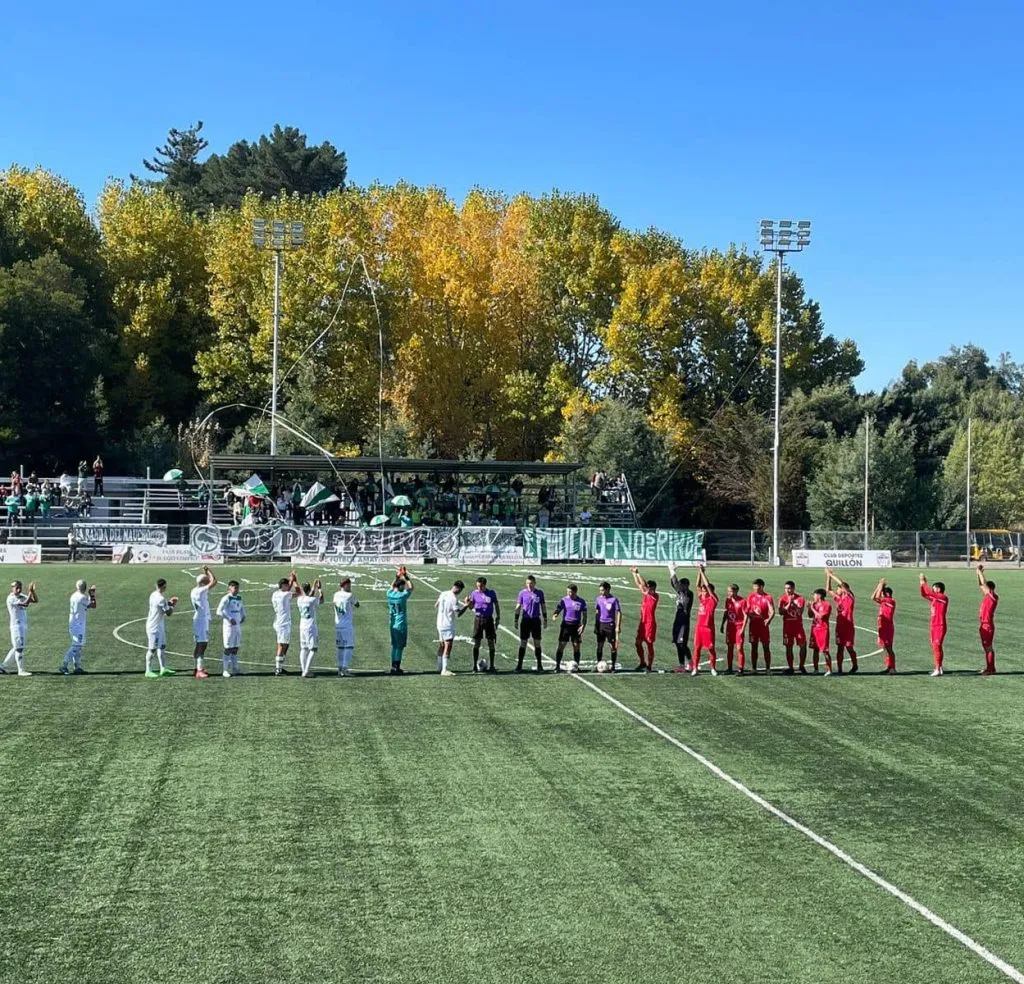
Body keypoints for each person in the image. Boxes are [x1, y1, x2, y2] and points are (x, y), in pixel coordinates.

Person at [461, 576, 500, 673]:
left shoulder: (491, 593)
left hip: (489, 620)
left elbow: (496, 604)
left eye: (481, 586)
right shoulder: (474, 593)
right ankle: (474, 665)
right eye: (477, 586)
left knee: (491, 641)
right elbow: (471, 607)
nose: (479, 588)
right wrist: (467, 603)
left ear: (485, 585)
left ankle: (492, 666)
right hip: (478, 619)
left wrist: (498, 616)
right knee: (477, 642)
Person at [825, 569, 858, 674]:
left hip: (848, 626)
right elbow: (828, 589)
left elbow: (842, 584)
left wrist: (832, 574)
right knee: (840, 647)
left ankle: (855, 665)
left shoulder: (850, 597)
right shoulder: (838, 599)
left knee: (849, 647)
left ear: (843, 589)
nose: (836, 590)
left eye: (838, 588)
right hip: (839, 626)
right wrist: (828, 577)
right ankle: (839, 669)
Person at [60, 580, 96, 675]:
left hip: (74, 623)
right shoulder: (82, 597)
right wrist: (92, 595)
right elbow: (93, 605)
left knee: (78, 646)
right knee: (76, 646)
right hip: (78, 625)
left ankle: (77, 667)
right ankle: (64, 665)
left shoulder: (74, 595)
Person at [3, 579, 37, 676]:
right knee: (19, 648)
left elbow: (35, 600)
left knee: (17, 647)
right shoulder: (11, 598)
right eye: (14, 587)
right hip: (16, 626)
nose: (16, 589)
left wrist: (32, 592)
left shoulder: (22, 596)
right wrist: (30, 592)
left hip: (23, 625)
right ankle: (20, 670)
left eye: (18, 587)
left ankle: (3, 666)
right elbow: (25, 604)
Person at [514, 575, 547, 673]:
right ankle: (519, 665)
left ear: (535, 583)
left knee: (537, 643)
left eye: (531, 583)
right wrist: (516, 619)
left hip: (536, 620)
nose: (529, 585)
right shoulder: (522, 593)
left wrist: (545, 619)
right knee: (523, 642)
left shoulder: (539, 593)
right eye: (528, 583)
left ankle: (539, 665)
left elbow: (543, 606)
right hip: (525, 620)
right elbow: (518, 606)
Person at [145, 578, 178, 678]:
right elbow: (169, 613)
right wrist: (173, 605)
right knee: (152, 649)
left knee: (162, 647)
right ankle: (148, 670)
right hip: (154, 627)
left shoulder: (153, 594)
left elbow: (162, 607)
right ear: (164, 586)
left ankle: (163, 668)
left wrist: (169, 603)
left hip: (159, 626)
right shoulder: (161, 599)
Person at [190, 566, 218, 679]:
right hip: (201, 621)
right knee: (202, 644)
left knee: (199, 644)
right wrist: (208, 571)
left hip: (200, 619)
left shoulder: (195, 590)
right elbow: (214, 581)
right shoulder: (200, 591)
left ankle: (197, 667)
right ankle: (199, 670)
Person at [552, 583, 587, 672]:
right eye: (568, 592)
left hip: (576, 626)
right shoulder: (564, 600)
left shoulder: (581, 601)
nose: (569, 594)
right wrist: (555, 614)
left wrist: (583, 625)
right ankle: (557, 666)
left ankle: (577, 666)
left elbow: (584, 615)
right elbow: (558, 608)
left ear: (575, 592)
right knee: (561, 645)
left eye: (570, 592)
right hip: (566, 626)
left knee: (576, 646)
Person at [919, 574, 949, 677]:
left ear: (939, 589)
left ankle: (938, 668)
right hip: (934, 625)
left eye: (934, 587)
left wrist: (923, 582)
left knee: (937, 646)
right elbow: (924, 594)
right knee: (935, 647)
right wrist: (921, 584)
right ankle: (938, 667)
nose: (932, 589)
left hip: (939, 625)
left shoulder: (942, 597)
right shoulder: (935, 599)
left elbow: (927, 592)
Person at [386, 567, 414, 674]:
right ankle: (396, 667)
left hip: (392, 623)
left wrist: (397, 577)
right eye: (403, 585)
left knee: (394, 645)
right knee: (400, 646)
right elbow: (411, 587)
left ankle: (393, 666)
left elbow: (391, 587)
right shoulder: (402, 596)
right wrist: (406, 576)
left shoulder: (389, 594)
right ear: (401, 586)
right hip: (400, 623)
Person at [272, 572, 301, 675]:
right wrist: (294, 581)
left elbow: (287, 591)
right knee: (281, 645)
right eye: (286, 585)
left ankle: (280, 666)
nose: (288, 586)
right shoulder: (285, 595)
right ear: (283, 586)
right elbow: (299, 592)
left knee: (286, 644)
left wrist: (291, 581)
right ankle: (278, 669)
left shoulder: (276, 593)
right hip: (283, 623)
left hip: (279, 621)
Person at [745, 578, 776, 673]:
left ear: (762, 586)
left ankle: (768, 668)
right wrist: (750, 614)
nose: (755, 588)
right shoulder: (750, 597)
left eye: (756, 586)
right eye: (754, 586)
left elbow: (772, 611)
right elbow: (748, 610)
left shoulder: (768, 597)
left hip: (763, 626)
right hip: (753, 625)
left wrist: (769, 619)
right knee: (754, 647)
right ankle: (754, 668)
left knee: (766, 646)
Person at [216, 580, 246, 678]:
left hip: (237, 626)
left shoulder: (239, 598)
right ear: (230, 588)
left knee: (235, 647)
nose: (237, 589)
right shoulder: (226, 598)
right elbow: (219, 611)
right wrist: (229, 618)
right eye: (235, 587)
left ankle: (235, 668)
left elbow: (241, 608)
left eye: (238, 587)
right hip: (228, 626)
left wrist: (243, 615)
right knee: (228, 647)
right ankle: (225, 670)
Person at [631, 567, 659, 672]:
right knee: (638, 642)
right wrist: (633, 573)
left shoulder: (655, 596)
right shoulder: (646, 594)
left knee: (649, 643)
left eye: (651, 588)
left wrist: (638, 573)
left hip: (650, 623)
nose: (649, 590)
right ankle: (642, 662)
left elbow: (643, 584)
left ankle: (649, 666)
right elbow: (639, 585)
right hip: (642, 622)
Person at [692, 565, 718, 676]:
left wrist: (703, 573)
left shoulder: (713, 599)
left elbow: (707, 585)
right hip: (700, 627)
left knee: (711, 648)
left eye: (705, 591)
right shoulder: (702, 598)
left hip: (708, 628)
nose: (703, 592)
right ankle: (695, 668)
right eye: (702, 591)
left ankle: (713, 668)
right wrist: (699, 572)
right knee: (697, 648)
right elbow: (697, 585)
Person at [434, 579, 464, 676]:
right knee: (448, 646)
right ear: (458, 588)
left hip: (439, 623)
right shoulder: (453, 598)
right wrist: (466, 605)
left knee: (442, 645)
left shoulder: (443, 593)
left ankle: (439, 667)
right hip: (447, 624)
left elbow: (436, 605)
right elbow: (458, 614)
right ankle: (444, 669)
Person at [668, 563, 694, 672]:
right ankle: (682, 665)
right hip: (678, 621)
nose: (680, 586)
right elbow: (674, 585)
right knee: (678, 644)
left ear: (686, 585)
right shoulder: (681, 592)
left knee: (683, 644)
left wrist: (672, 570)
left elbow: (675, 585)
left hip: (683, 622)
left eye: (682, 585)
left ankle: (691, 663)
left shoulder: (688, 594)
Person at [297, 580, 324, 678]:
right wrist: (320, 589)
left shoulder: (299, 600)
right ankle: (307, 671)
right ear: (308, 590)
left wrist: (313, 586)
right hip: (310, 627)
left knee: (303, 649)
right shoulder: (311, 600)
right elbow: (321, 600)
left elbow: (309, 595)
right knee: (313, 649)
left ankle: (303, 669)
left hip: (302, 626)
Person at [778, 581, 807, 674]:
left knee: (803, 646)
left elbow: (800, 612)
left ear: (794, 588)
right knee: (788, 647)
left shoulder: (800, 598)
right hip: (787, 627)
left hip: (798, 626)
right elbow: (781, 612)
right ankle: (790, 667)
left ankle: (801, 666)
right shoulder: (782, 599)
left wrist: (793, 603)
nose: (787, 590)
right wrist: (788, 604)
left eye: (789, 588)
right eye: (786, 588)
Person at [333, 577, 360, 676]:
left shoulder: (335, 595)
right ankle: (345, 668)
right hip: (347, 624)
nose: (350, 587)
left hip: (338, 624)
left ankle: (340, 668)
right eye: (349, 585)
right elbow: (357, 604)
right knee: (348, 647)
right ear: (345, 585)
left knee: (340, 647)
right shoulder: (349, 595)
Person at [594, 581, 622, 672]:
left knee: (612, 646)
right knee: (599, 645)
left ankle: (613, 666)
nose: (601, 592)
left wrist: (617, 626)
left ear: (608, 589)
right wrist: (596, 624)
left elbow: (618, 612)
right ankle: (598, 665)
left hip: (610, 625)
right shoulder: (598, 599)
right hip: (601, 625)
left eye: (602, 590)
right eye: (600, 590)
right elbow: (597, 612)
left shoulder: (614, 600)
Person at [871, 577, 897, 674]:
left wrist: (881, 584)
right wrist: (879, 586)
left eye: (882, 593)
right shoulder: (884, 601)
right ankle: (889, 667)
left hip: (887, 628)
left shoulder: (890, 601)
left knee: (889, 648)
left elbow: (877, 597)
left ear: (887, 594)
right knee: (885, 648)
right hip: (882, 627)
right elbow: (873, 597)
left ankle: (893, 668)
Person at [977, 564, 998, 675]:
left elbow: (983, 584)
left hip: (987, 625)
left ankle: (991, 669)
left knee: (988, 646)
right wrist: (977, 574)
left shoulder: (993, 596)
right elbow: (981, 584)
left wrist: (980, 572)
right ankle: (990, 667)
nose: (982, 589)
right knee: (986, 647)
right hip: (984, 624)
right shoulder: (987, 596)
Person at [721, 584, 746, 675]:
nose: (729, 593)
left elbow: (746, 616)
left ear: (736, 591)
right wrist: (722, 624)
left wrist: (743, 628)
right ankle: (730, 668)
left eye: (731, 591)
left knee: (739, 648)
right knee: (730, 647)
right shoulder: (728, 600)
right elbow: (726, 612)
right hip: (730, 627)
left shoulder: (742, 601)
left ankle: (740, 669)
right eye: (728, 591)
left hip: (739, 627)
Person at [809, 588, 832, 675]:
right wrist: (810, 608)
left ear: (819, 595)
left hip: (823, 630)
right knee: (815, 650)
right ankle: (816, 669)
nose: (813, 597)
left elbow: (821, 617)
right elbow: (810, 615)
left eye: (814, 595)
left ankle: (829, 670)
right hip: (814, 629)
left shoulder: (826, 605)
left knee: (825, 650)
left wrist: (813, 608)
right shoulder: (815, 604)